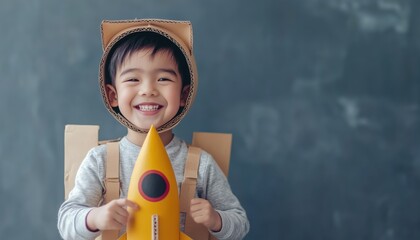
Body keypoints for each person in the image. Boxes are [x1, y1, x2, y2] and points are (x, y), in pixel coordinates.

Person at [57, 19, 249, 240]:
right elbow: (66, 223)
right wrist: (94, 218)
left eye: (163, 78)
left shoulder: (201, 165)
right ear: (113, 96)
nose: (148, 90)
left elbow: (239, 223)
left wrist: (217, 220)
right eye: (133, 79)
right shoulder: (100, 160)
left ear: (184, 95)